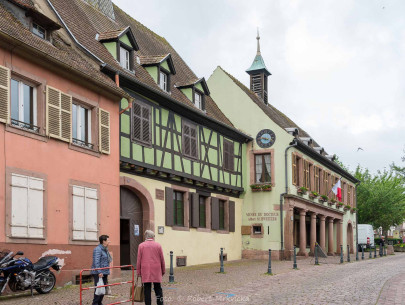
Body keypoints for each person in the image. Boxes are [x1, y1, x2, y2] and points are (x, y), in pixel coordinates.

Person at [136, 230, 165, 305]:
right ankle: (160, 303)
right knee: (158, 288)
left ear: (146, 236)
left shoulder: (141, 245)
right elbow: (162, 259)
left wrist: (138, 272)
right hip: (156, 269)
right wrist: (163, 270)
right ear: (153, 237)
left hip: (146, 270)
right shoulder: (158, 245)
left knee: (147, 289)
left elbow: (139, 260)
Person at [91, 235, 112, 305]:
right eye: (108, 240)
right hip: (99, 272)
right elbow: (96, 262)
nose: (109, 241)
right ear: (104, 241)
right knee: (98, 289)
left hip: (105, 271)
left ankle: (99, 302)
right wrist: (99, 272)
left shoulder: (105, 249)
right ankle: (95, 303)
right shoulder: (98, 249)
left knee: (103, 289)